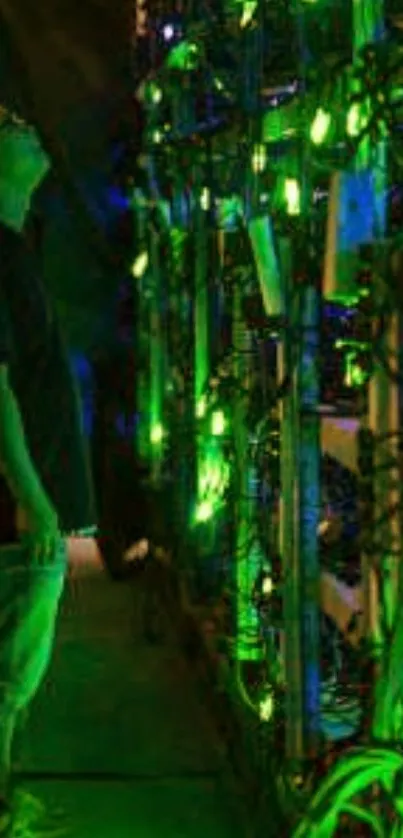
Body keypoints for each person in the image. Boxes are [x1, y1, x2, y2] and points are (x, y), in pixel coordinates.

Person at [0, 105, 98, 836]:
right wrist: (31, 498)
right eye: (11, 125)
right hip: (14, 517)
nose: (32, 128)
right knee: (5, 679)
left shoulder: (13, 247)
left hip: (24, 512)